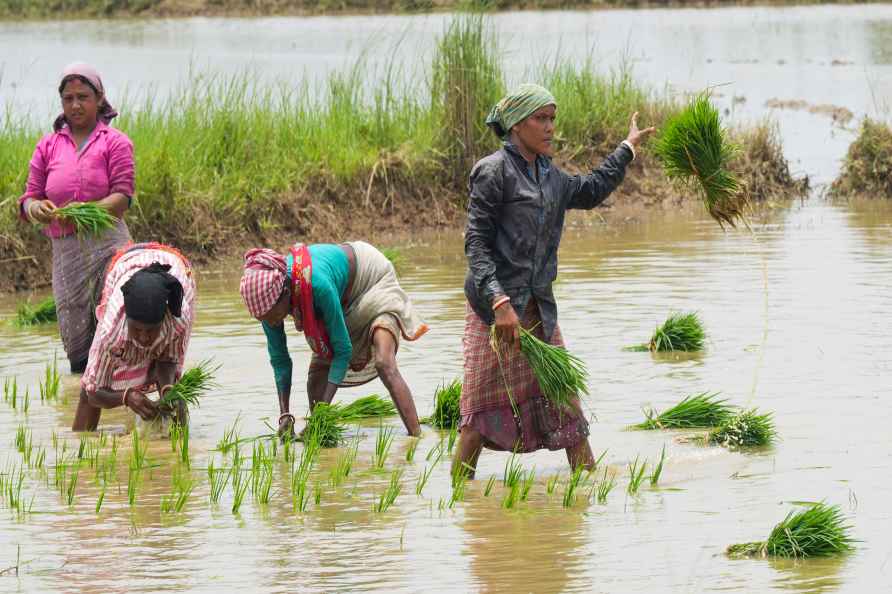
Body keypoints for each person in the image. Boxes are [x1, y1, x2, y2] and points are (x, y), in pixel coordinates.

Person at [453, 83, 655, 477]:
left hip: (538, 310)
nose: (549, 128)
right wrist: (499, 303)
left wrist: (626, 149)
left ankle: (587, 491)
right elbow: (475, 244)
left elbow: (592, 189)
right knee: (478, 413)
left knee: (564, 400)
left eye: (552, 119)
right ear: (515, 124)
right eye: (540, 119)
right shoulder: (492, 172)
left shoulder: (550, 176)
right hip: (494, 313)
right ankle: (459, 499)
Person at [239, 241, 428, 438]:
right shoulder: (267, 306)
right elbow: (280, 361)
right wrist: (285, 414)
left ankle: (416, 436)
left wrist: (323, 410)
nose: (270, 321)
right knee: (315, 379)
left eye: (271, 315)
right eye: (263, 319)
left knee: (384, 362)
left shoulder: (316, 284)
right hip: (340, 296)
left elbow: (343, 350)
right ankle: (320, 432)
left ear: (285, 294)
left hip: (371, 281)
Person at [18, 62, 134, 374]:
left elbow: (122, 197)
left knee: (118, 318)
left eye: (83, 96)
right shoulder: (48, 145)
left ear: (99, 99)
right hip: (67, 252)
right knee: (76, 334)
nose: (75, 104)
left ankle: (123, 391)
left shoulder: (115, 142)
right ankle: (85, 392)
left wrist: (87, 212)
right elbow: (29, 197)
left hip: (109, 246)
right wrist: (36, 208)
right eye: (68, 98)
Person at [73, 243, 196, 431]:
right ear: (127, 320)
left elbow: (168, 359)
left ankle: (177, 448)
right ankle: (81, 443)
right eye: (137, 329)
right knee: (89, 386)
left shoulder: (178, 318)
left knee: (174, 394)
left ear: (163, 321)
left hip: (175, 268)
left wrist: (167, 389)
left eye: (151, 330)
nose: (144, 338)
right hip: (126, 264)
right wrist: (126, 397)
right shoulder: (111, 330)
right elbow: (93, 393)